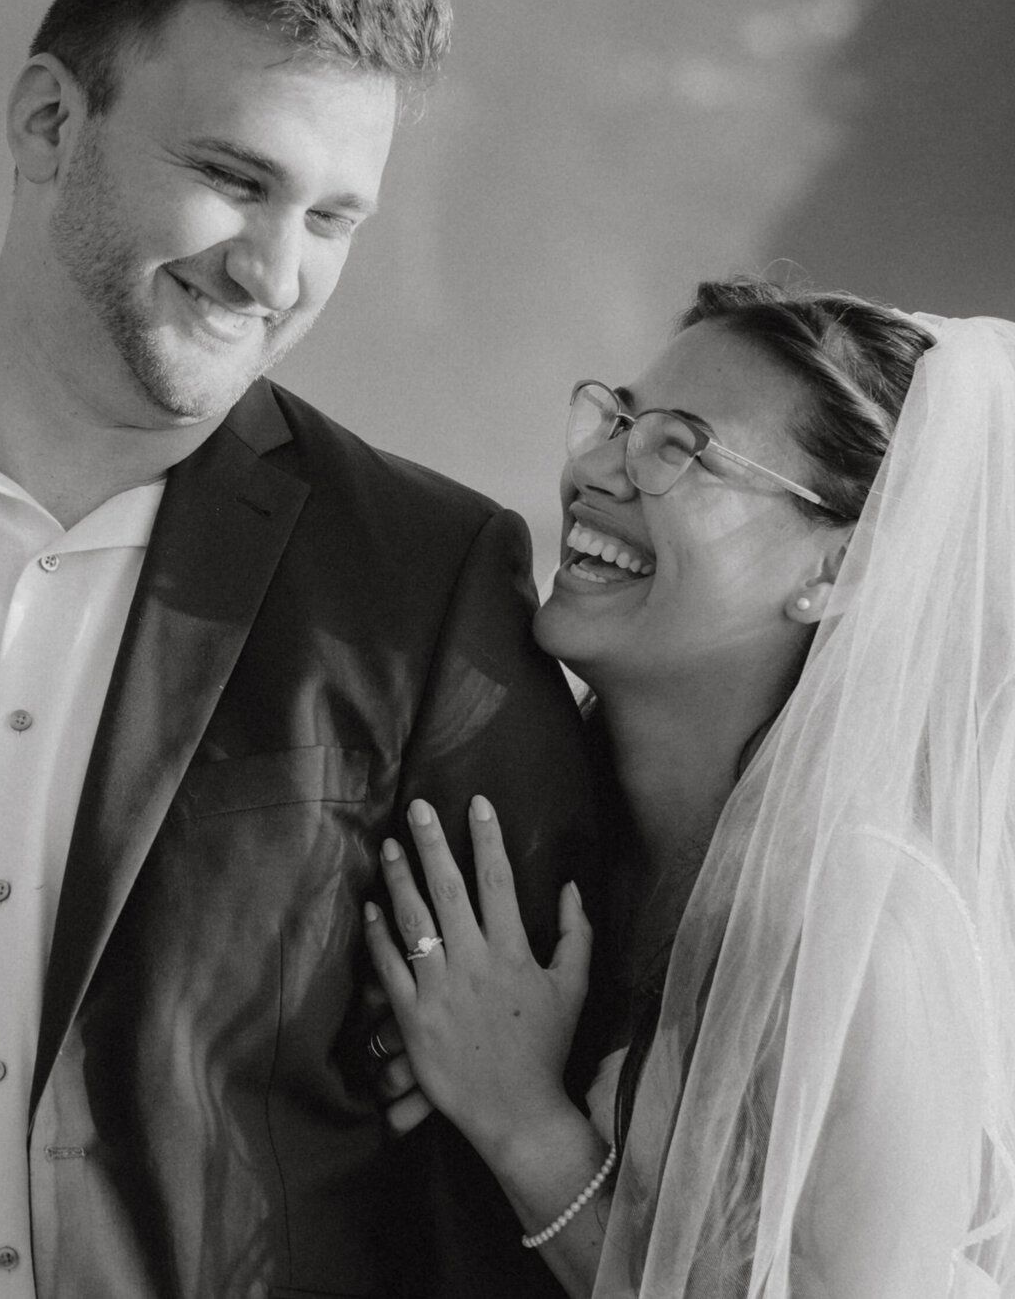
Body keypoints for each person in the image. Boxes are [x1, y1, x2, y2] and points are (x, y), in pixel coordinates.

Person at [0, 0, 601, 1299]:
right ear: (50, 120)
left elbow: (511, 1137)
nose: (275, 271)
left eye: (332, 218)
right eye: (236, 179)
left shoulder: (430, 588)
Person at [367, 278, 1015, 1296]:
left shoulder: (854, 929)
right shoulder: (563, 844)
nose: (595, 470)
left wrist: (517, 1118)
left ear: (839, 569)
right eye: (617, 419)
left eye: (680, 448)